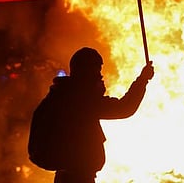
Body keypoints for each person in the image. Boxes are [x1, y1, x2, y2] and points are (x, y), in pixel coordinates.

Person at [37, 47, 154, 183]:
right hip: (79, 178)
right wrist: (143, 79)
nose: (100, 76)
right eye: (97, 70)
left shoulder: (62, 95)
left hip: (66, 176)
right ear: (86, 71)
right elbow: (124, 108)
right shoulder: (80, 99)